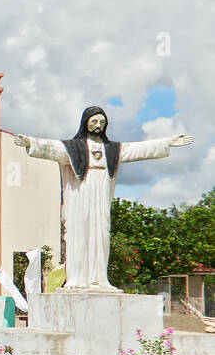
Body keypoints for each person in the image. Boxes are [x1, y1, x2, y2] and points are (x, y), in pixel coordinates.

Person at [13, 106, 193, 291]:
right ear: (85, 122)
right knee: (78, 234)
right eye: (94, 121)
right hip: (80, 195)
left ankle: (99, 279)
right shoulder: (73, 148)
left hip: (100, 195)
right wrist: (30, 142)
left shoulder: (111, 149)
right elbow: (52, 148)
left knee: (101, 234)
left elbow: (137, 149)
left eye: (101, 122)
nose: (98, 125)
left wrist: (167, 143)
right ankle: (77, 279)